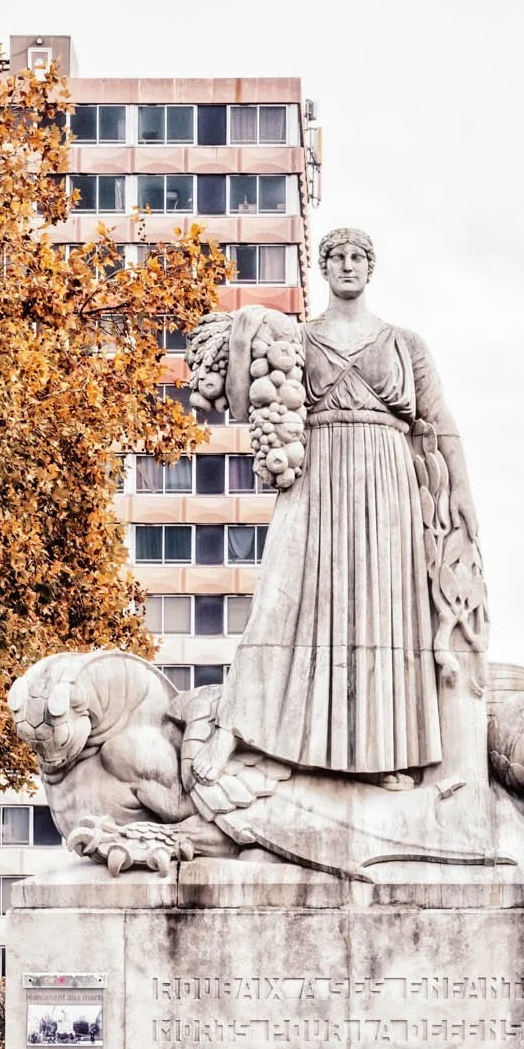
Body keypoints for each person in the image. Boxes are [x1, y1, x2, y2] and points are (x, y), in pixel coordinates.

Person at [192, 227, 485, 788]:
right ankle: (245, 729)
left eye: (358, 257)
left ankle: (383, 754)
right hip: (317, 471)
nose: (348, 265)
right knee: (284, 599)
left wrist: (463, 493)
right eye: (337, 257)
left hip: (387, 479)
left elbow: (439, 421)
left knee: (384, 611)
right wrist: (246, 330)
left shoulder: (406, 343)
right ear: (323, 269)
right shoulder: (296, 338)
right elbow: (238, 394)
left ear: (370, 268)